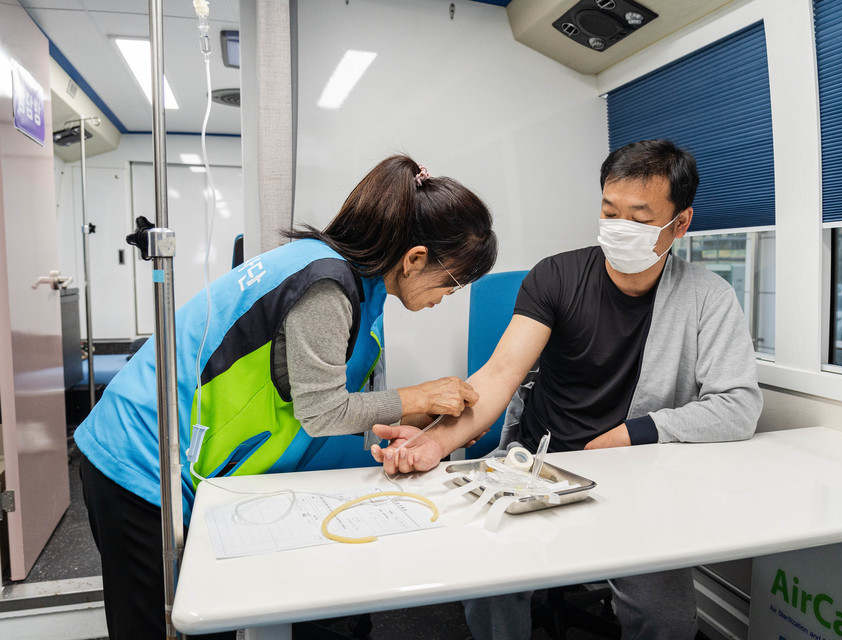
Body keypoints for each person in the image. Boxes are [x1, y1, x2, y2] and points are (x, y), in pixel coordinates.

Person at [74, 154, 498, 639]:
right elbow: (321, 410)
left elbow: (305, 396)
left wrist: (392, 427)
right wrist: (418, 398)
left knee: (211, 619)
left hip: (192, 466)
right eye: (455, 281)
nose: (450, 295)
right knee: (159, 626)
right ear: (415, 258)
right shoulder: (327, 286)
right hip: (140, 458)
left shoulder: (356, 285)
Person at [372, 140, 762, 639]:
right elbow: (497, 377)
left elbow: (738, 406)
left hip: (635, 475)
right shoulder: (555, 277)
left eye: (640, 218)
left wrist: (633, 434)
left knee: (665, 617)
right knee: (492, 583)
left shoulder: (708, 297)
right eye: (609, 211)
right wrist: (435, 442)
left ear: (680, 224)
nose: (619, 228)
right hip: (538, 466)